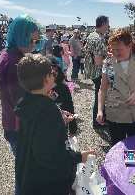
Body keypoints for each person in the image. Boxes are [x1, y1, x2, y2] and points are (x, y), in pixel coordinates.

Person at [15, 54, 96, 194]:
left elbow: (37, 131)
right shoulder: (48, 111)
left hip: (29, 176)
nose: (54, 75)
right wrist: (79, 156)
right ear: (47, 79)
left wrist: (60, 118)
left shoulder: (25, 103)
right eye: (52, 73)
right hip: (48, 184)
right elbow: (48, 156)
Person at [0, 14, 43, 194]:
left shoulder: (7, 54)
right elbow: (23, 103)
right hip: (19, 128)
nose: (33, 45)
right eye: (29, 40)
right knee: (27, 173)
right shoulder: (15, 62)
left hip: (12, 124)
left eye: (36, 41)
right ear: (18, 36)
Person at [96, 29, 135, 146]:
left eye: (119, 50)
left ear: (129, 46)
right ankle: (119, 164)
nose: (115, 53)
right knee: (117, 148)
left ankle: (134, 165)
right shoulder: (108, 63)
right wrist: (100, 110)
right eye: (112, 49)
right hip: (114, 113)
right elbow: (103, 89)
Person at [84, 15, 109, 129]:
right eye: (108, 24)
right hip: (97, 72)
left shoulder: (92, 35)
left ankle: (98, 121)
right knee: (100, 97)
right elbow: (99, 61)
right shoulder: (98, 38)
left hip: (92, 71)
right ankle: (98, 122)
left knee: (98, 96)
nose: (108, 26)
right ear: (103, 24)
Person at [47, 54, 78, 137]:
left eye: (55, 72)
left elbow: (70, 107)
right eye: (49, 73)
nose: (52, 75)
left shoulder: (63, 88)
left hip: (62, 126)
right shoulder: (39, 89)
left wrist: (73, 128)